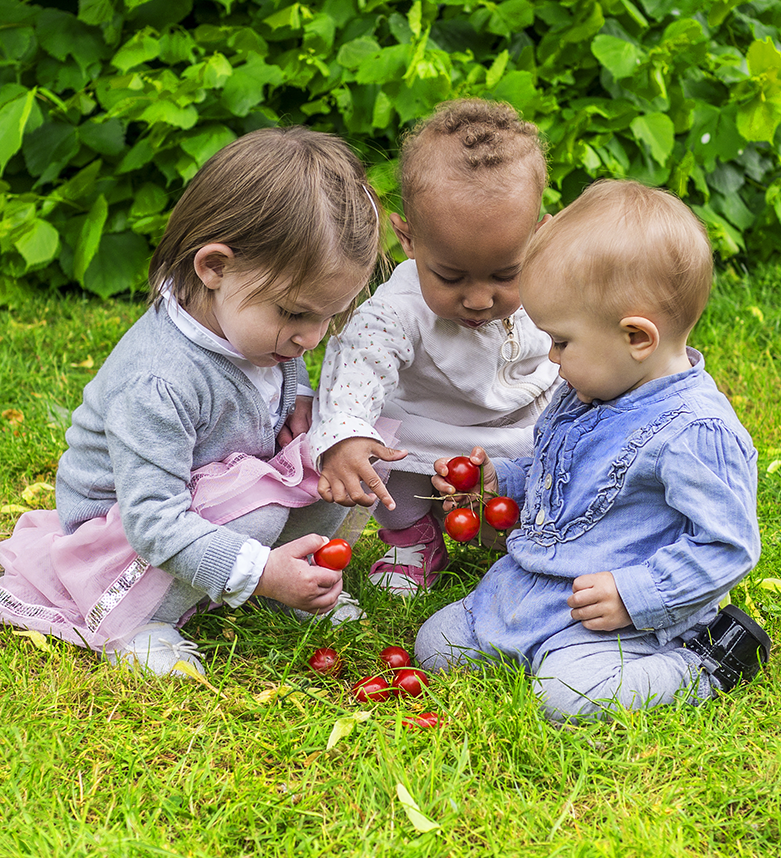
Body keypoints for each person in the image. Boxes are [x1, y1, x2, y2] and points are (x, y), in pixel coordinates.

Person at [0, 127, 382, 677]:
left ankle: (292, 577)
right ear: (215, 268)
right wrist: (257, 567)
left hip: (221, 482)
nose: (312, 338)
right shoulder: (160, 382)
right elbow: (153, 521)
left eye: (330, 315)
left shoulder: (254, 328)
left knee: (341, 460)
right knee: (263, 515)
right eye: (297, 314)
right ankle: (138, 623)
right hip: (127, 532)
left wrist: (298, 398)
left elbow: (292, 369)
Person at [415, 179, 771, 723]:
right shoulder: (589, 389)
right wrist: (500, 484)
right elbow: (558, 472)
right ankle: (533, 644)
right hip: (533, 589)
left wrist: (635, 593)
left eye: (562, 341)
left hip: (616, 616)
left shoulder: (695, 431)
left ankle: (704, 664)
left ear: (637, 338)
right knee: (435, 648)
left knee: (568, 696)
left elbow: (728, 545)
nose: (552, 359)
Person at [310, 99, 560, 595]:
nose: (480, 298)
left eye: (505, 274)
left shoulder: (552, 286)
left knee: (562, 462)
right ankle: (411, 537)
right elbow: (356, 369)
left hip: (520, 430)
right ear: (408, 238)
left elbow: (578, 347)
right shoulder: (397, 311)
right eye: (450, 275)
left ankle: (524, 531)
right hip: (426, 436)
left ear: (539, 237)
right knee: (382, 454)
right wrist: (346, 433)